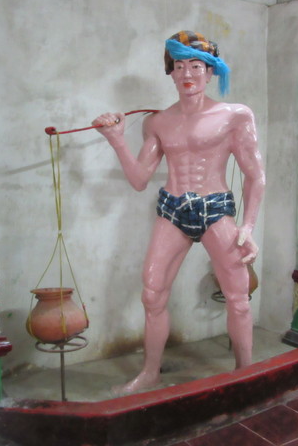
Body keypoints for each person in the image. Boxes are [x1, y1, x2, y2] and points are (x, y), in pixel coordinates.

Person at [93, 30, 266, 395]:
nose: (188, 74)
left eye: (196, 66)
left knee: (238, 297)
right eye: (180, 66)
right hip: (172, 208)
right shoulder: (157, 122)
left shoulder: (234, 116)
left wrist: (248, 226)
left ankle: (244, 372)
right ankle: (150, 373)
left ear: (210, 72)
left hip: (215, 209)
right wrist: (117, 140)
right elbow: (139, 179)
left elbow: (255, 175)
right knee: (152, 292)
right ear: (170, 72)